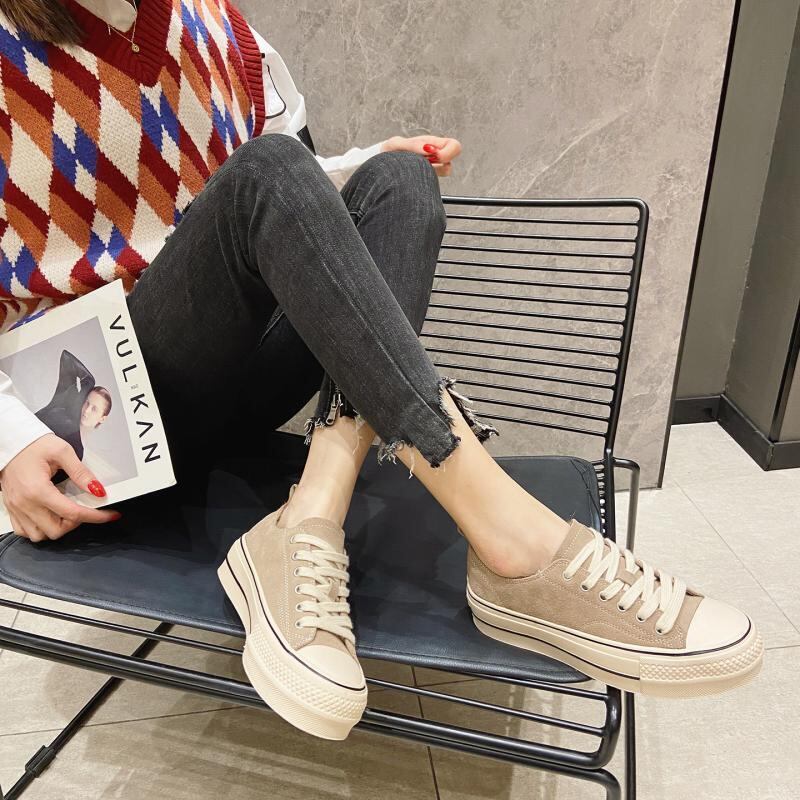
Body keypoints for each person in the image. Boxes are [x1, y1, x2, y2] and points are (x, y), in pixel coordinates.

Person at [0, 0, 763, 742]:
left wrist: (365, 165)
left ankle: (309, 517)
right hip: (95, 436)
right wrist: (8, 439)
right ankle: (515, 540)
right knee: (269, 170)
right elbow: (259, 188)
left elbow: (268, 205)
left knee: (401, 181)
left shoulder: (217, 28)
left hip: (232, 385)